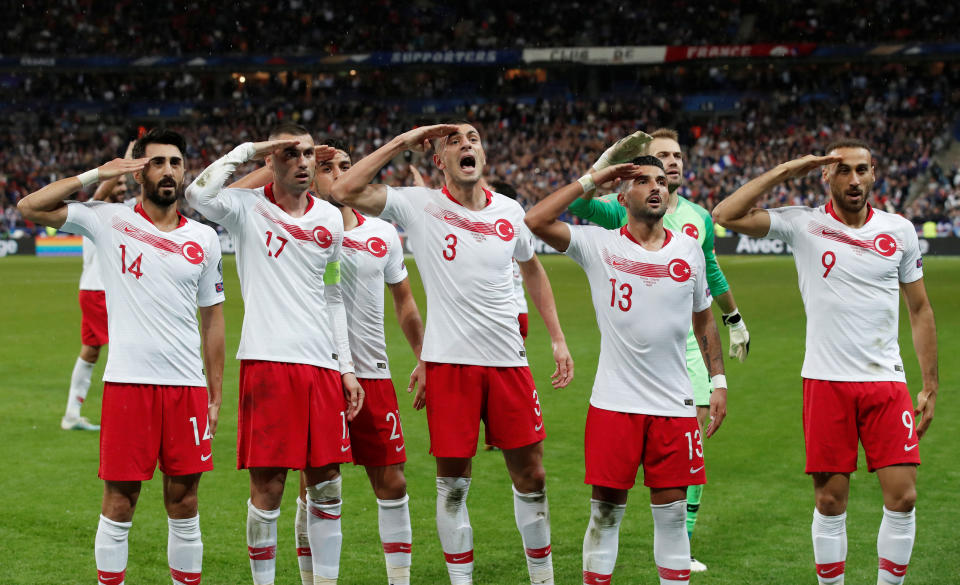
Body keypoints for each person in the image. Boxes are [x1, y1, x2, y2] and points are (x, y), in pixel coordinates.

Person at [333, 122, 574, 585]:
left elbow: (534, 271)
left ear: (483, 157)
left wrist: (557, 337)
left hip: (509, 364)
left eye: (474, 139)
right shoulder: (420, 205)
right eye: (454, 141)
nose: (467, 144)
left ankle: (542, 579)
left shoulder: (510, 211)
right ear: (438, 160)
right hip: (450, 366)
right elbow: (345, 187)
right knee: (452, 486)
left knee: (534, 477)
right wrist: (404, 140)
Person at [712, 139, 938, 585]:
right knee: (830, 503)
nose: (854, 180)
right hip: (825, 381)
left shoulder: (900, 231)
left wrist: (929, 384)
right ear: (826, 176)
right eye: (843, 171)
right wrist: (786, 170)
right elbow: (724, 215)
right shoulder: (803, 224)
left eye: (862, 170)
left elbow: (920, 310)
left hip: (885, 382)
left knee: (904, 497)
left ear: (873, 174)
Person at [18, 128, 226, 585]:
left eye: (175, 162)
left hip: (186, 389)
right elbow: (29, 207)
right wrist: (95, 173)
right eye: (157, 162)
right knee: (118, 504)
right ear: (139, 173)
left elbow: (213, 319)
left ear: (185, 169)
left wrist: (215, 393)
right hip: (127, 385)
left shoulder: (205, 240)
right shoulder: (107, 220)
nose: (168, 170)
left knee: (185, 504)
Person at [229, 138, 426, 585]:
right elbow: (237, 194)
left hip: (370, 372)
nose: (338, 174)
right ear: (311, 177)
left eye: (345, 166)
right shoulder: (299, 225)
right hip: (314, 369)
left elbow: (406, 305)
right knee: (312, 486)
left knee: (392, 483)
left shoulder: (381, 235)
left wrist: (423, 356)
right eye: (326, 167)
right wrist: (282, 160)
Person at [525, 154, 728, 585]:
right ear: (622, 194)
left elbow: (704, 319)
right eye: (642, 180)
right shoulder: (598, 245)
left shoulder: (688, 250)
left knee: (672, 518)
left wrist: (718, 380)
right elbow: (536, 219)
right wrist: (593, 177)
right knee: (604, 514)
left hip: (675, 406)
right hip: (614, 404)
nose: (656, 187)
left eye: (661, 180)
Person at [185, 123, 363, 585]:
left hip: (322, 369)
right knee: (268, 490)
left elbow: (333, 296)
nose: (303, 162)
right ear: (271, 161)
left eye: (307, 154)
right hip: (267, 364)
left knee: (327, 489)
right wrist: (251, 148)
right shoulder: (247, 209)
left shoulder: (327, 218)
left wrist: (346, 367)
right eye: (291, 154)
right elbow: (198, 195)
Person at [567, 128, 749, 571]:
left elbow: (711, 276)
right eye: (662, 157)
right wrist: (605, 166)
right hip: (628, 364)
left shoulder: (697, 221)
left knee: (693, 452)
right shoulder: (620, 212)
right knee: (608, 506)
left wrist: (734, 317)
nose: (671, 163)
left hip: (683, 350)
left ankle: (683, 541)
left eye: (677, 156)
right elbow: (574, 207)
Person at [62, 173, 129, 431]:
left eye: (124, 184)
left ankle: (71, 414)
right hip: (98, 291)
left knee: (91, 351)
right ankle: (123, 416)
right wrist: (122, 164)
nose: (122, 188)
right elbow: (102, 192)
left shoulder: (123, 212)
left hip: (96, 290)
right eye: (118, 184)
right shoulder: (95, 209)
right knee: (124, 350)